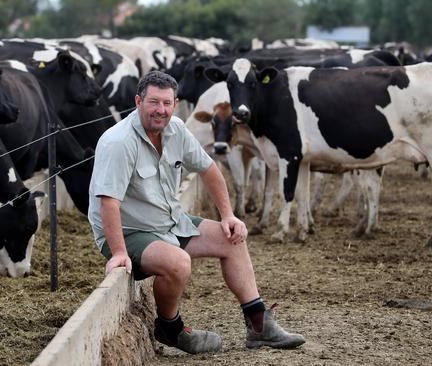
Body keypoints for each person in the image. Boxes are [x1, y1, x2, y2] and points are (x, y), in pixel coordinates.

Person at [88, 70, 305, 354]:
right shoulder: (119, 141)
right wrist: (118, 252)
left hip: (168, 221)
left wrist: (228, 215)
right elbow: (109, 203)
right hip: (130, 231)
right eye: (154, 102)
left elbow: (209, 169)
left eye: (167, 103)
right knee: (178, 263)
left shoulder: (176, 129)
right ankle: (171, 328)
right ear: (138, 102)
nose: (160, 110)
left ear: (175, 104)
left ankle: (259, 325)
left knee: (232, 237)